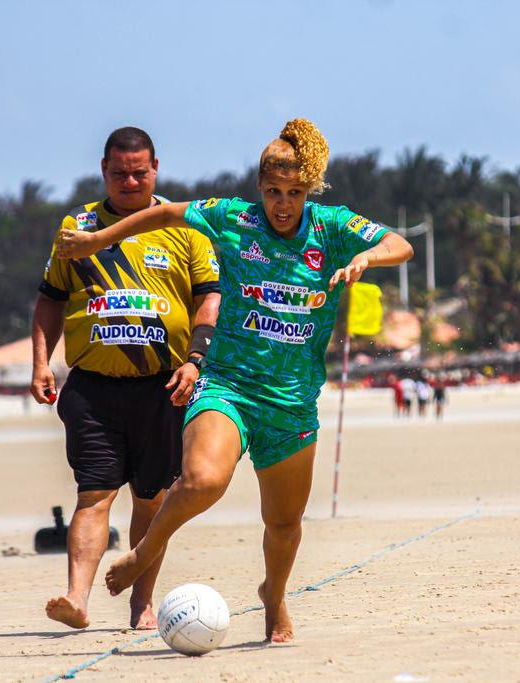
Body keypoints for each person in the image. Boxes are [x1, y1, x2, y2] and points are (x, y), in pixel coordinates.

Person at [55, 119, 413, 642]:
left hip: (291, 403)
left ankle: (274, 597)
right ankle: (146, 550)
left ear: (307, 191)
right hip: (229, 386)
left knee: (284, 524)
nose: (282, 204)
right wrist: (97, 240)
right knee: (201, 481)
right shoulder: (232, 218)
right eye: (272, 192)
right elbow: (161, 214)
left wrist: (365, 256)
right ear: (259, 188)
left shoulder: (333, 227)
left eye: (293, 193)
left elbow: (400, 244)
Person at [30, 127, 221, 630]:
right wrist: (40, 361)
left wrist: (195, 358)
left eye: (140, 172)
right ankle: (77, 597)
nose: (131, 181)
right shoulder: (78, 226)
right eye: (120, 173)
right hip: (93, 386)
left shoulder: (187, 227)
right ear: (103, 170)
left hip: (163, 385)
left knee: (152, 500)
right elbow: (50, 298)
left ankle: (141, 604)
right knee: (93, 493)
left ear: (155, 168)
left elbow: (209, 298)